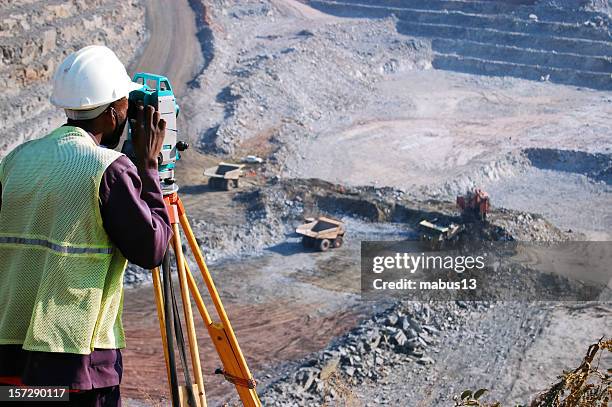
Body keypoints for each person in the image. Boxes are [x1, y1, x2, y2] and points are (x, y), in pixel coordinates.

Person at [0, 45, 173, 406]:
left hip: (9, 356)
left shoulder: (17, 159)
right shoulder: (108, 169)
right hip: (76, 363)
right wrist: (150, 168)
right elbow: (153, 249)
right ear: (112, 114)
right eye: (126, 105)